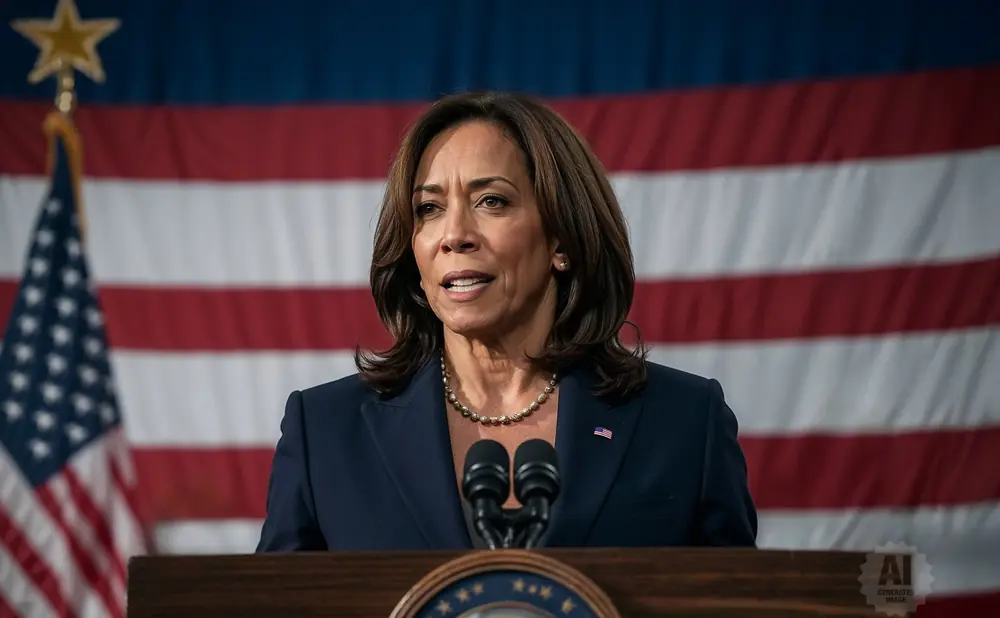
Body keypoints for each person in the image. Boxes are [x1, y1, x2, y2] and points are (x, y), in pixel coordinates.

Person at [256, 91, 757, 552]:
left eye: (491, 201)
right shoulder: (325, 431)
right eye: (428, 208)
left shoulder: (684, 423)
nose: (454, 234)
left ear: (561, 238)